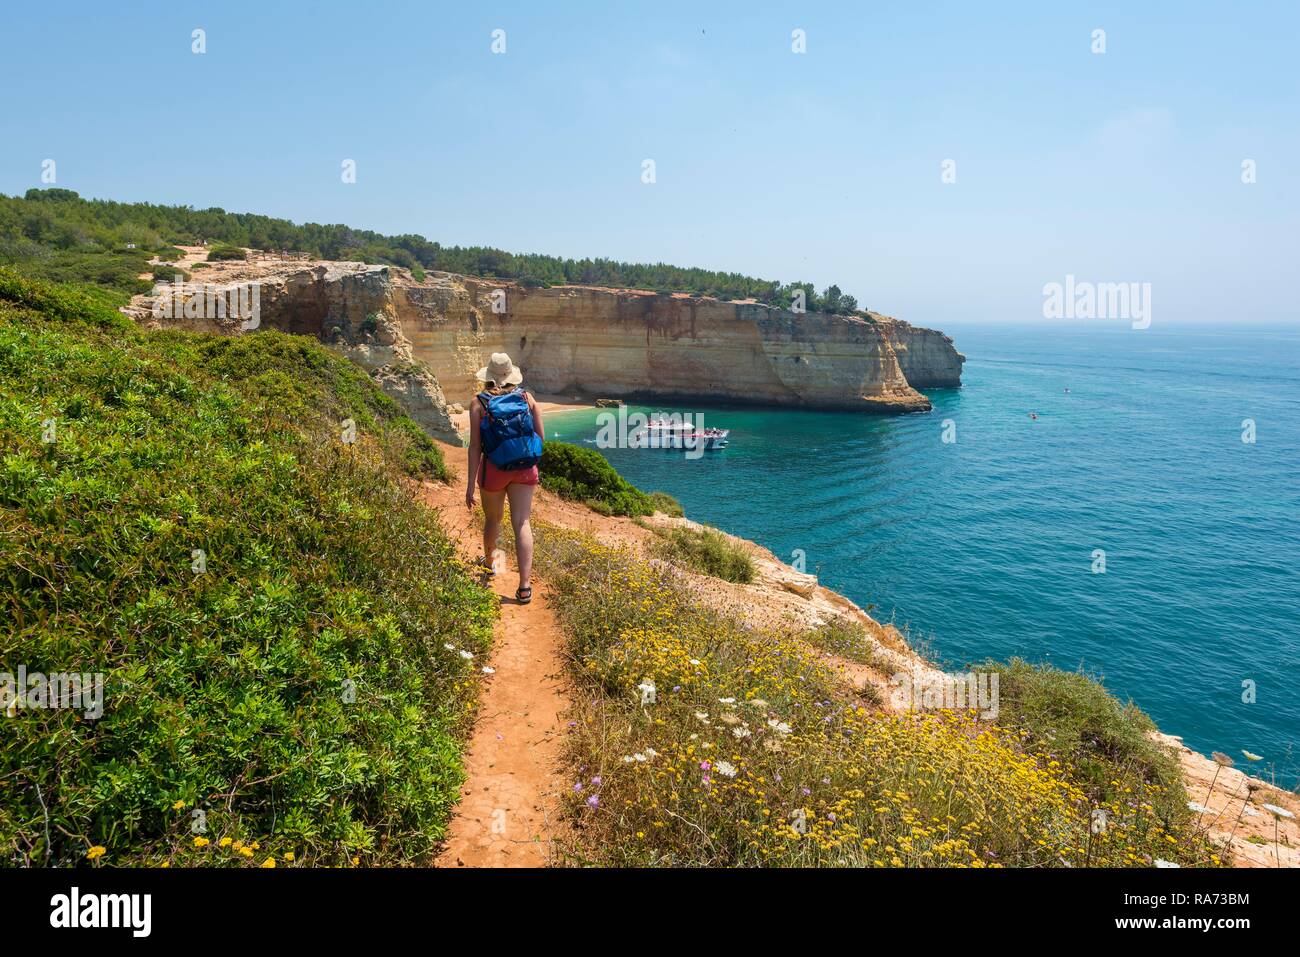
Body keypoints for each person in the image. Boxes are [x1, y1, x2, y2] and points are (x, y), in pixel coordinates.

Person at [465, 353, 543, 604]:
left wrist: (470, 486)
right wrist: (526, 465)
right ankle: (524, 587)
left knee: (493, 519)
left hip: (494, 469)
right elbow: (539, 438)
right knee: (521, 523)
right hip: (524, 468)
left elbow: (475, 447)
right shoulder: (526, 398)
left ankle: (492, 565)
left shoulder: (478, 403)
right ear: (511, 375)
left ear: (487, 377)